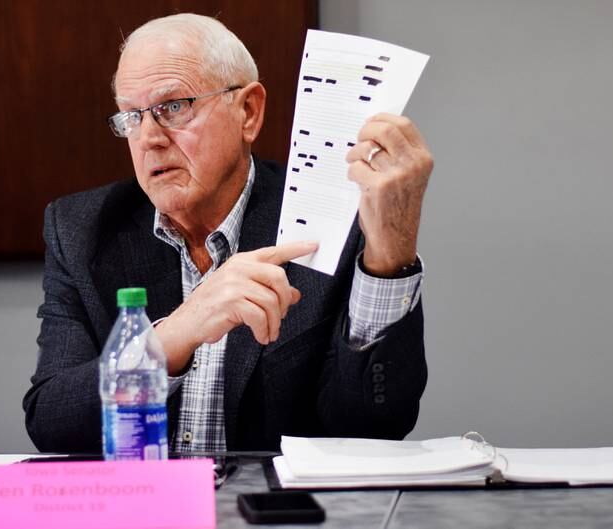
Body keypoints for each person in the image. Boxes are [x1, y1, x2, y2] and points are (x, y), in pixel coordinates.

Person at [23, 13, 433, 453]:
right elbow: (52, 421)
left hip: (274, 518)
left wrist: (391, 253)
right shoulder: (81, 229)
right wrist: (176, 333)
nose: (148, 139)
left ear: (248, 112)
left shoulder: (327, 224)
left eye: (173, 107)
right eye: (131, 117)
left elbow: (376, 426)